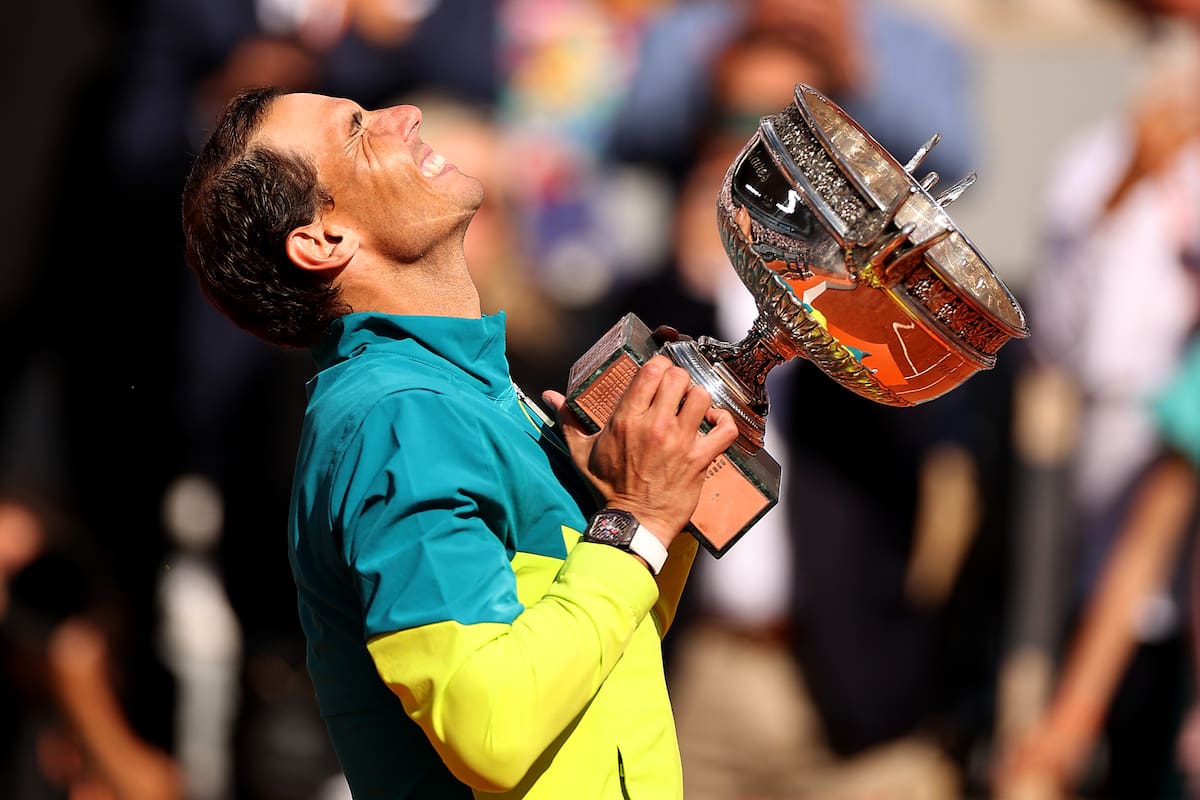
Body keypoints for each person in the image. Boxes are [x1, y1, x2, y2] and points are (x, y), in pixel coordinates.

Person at [179, 85, 740, 799]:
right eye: (358, 131)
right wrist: (636, 521)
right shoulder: (399, 417)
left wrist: (657, 498)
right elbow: (492, 729)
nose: (403, 116)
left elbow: (599, 660)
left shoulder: (463, 391)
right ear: (323, 240)